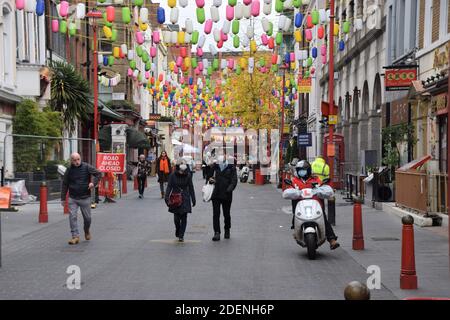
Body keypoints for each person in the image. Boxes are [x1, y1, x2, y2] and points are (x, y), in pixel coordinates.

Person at [289, 160, 340, 250]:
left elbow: (323, 187)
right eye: (300, 170)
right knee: (295, 216)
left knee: (324, 219)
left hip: (316, 205)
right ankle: (296, 231)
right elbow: (289, 190)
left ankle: (332, 239)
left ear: (308, 170)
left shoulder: (316, 179)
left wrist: (322, 190)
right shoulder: (295, 181)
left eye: (303, 170)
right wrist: (292, 192)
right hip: (301, 206)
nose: (302, 172)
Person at [61, 152, 101, 245]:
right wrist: (63, 198)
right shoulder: (69, 170)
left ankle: (86, 230)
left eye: (78, 159)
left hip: (85, 197)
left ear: (80, 158)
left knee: (87, 218)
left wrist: (93, 183)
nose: (77, 162)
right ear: (71, 161)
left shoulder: (86, 167)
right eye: (74, 160)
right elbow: (65, 184)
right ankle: (75, 236)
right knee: (72, 217)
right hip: (73, 198)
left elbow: (99, 174)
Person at [206, 155, 238, 241]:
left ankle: (227, 229)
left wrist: (229, 189)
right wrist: (210, 177)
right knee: (216, 214)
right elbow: (208, 177)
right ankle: (217, 232)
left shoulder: (231, 167)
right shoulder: (215, 167)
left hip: (227, 194)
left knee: (226, 214)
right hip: (216, 193)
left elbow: (234, 180)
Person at [165, 158, 196, 242]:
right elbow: (169, 186)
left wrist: (193, 199)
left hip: (185, 197)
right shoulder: (172, 175)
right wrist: (166, 197)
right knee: (176, 217)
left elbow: (191, 187)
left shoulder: (188, 175)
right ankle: (178, 229)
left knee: (184, 217)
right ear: (178, 166)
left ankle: (181, 235)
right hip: (175, 197)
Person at [288, 158, 300, 229]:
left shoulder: (310, 178)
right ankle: (294, 224)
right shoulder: (295, 180)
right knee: (295, 210)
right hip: (297, 194)